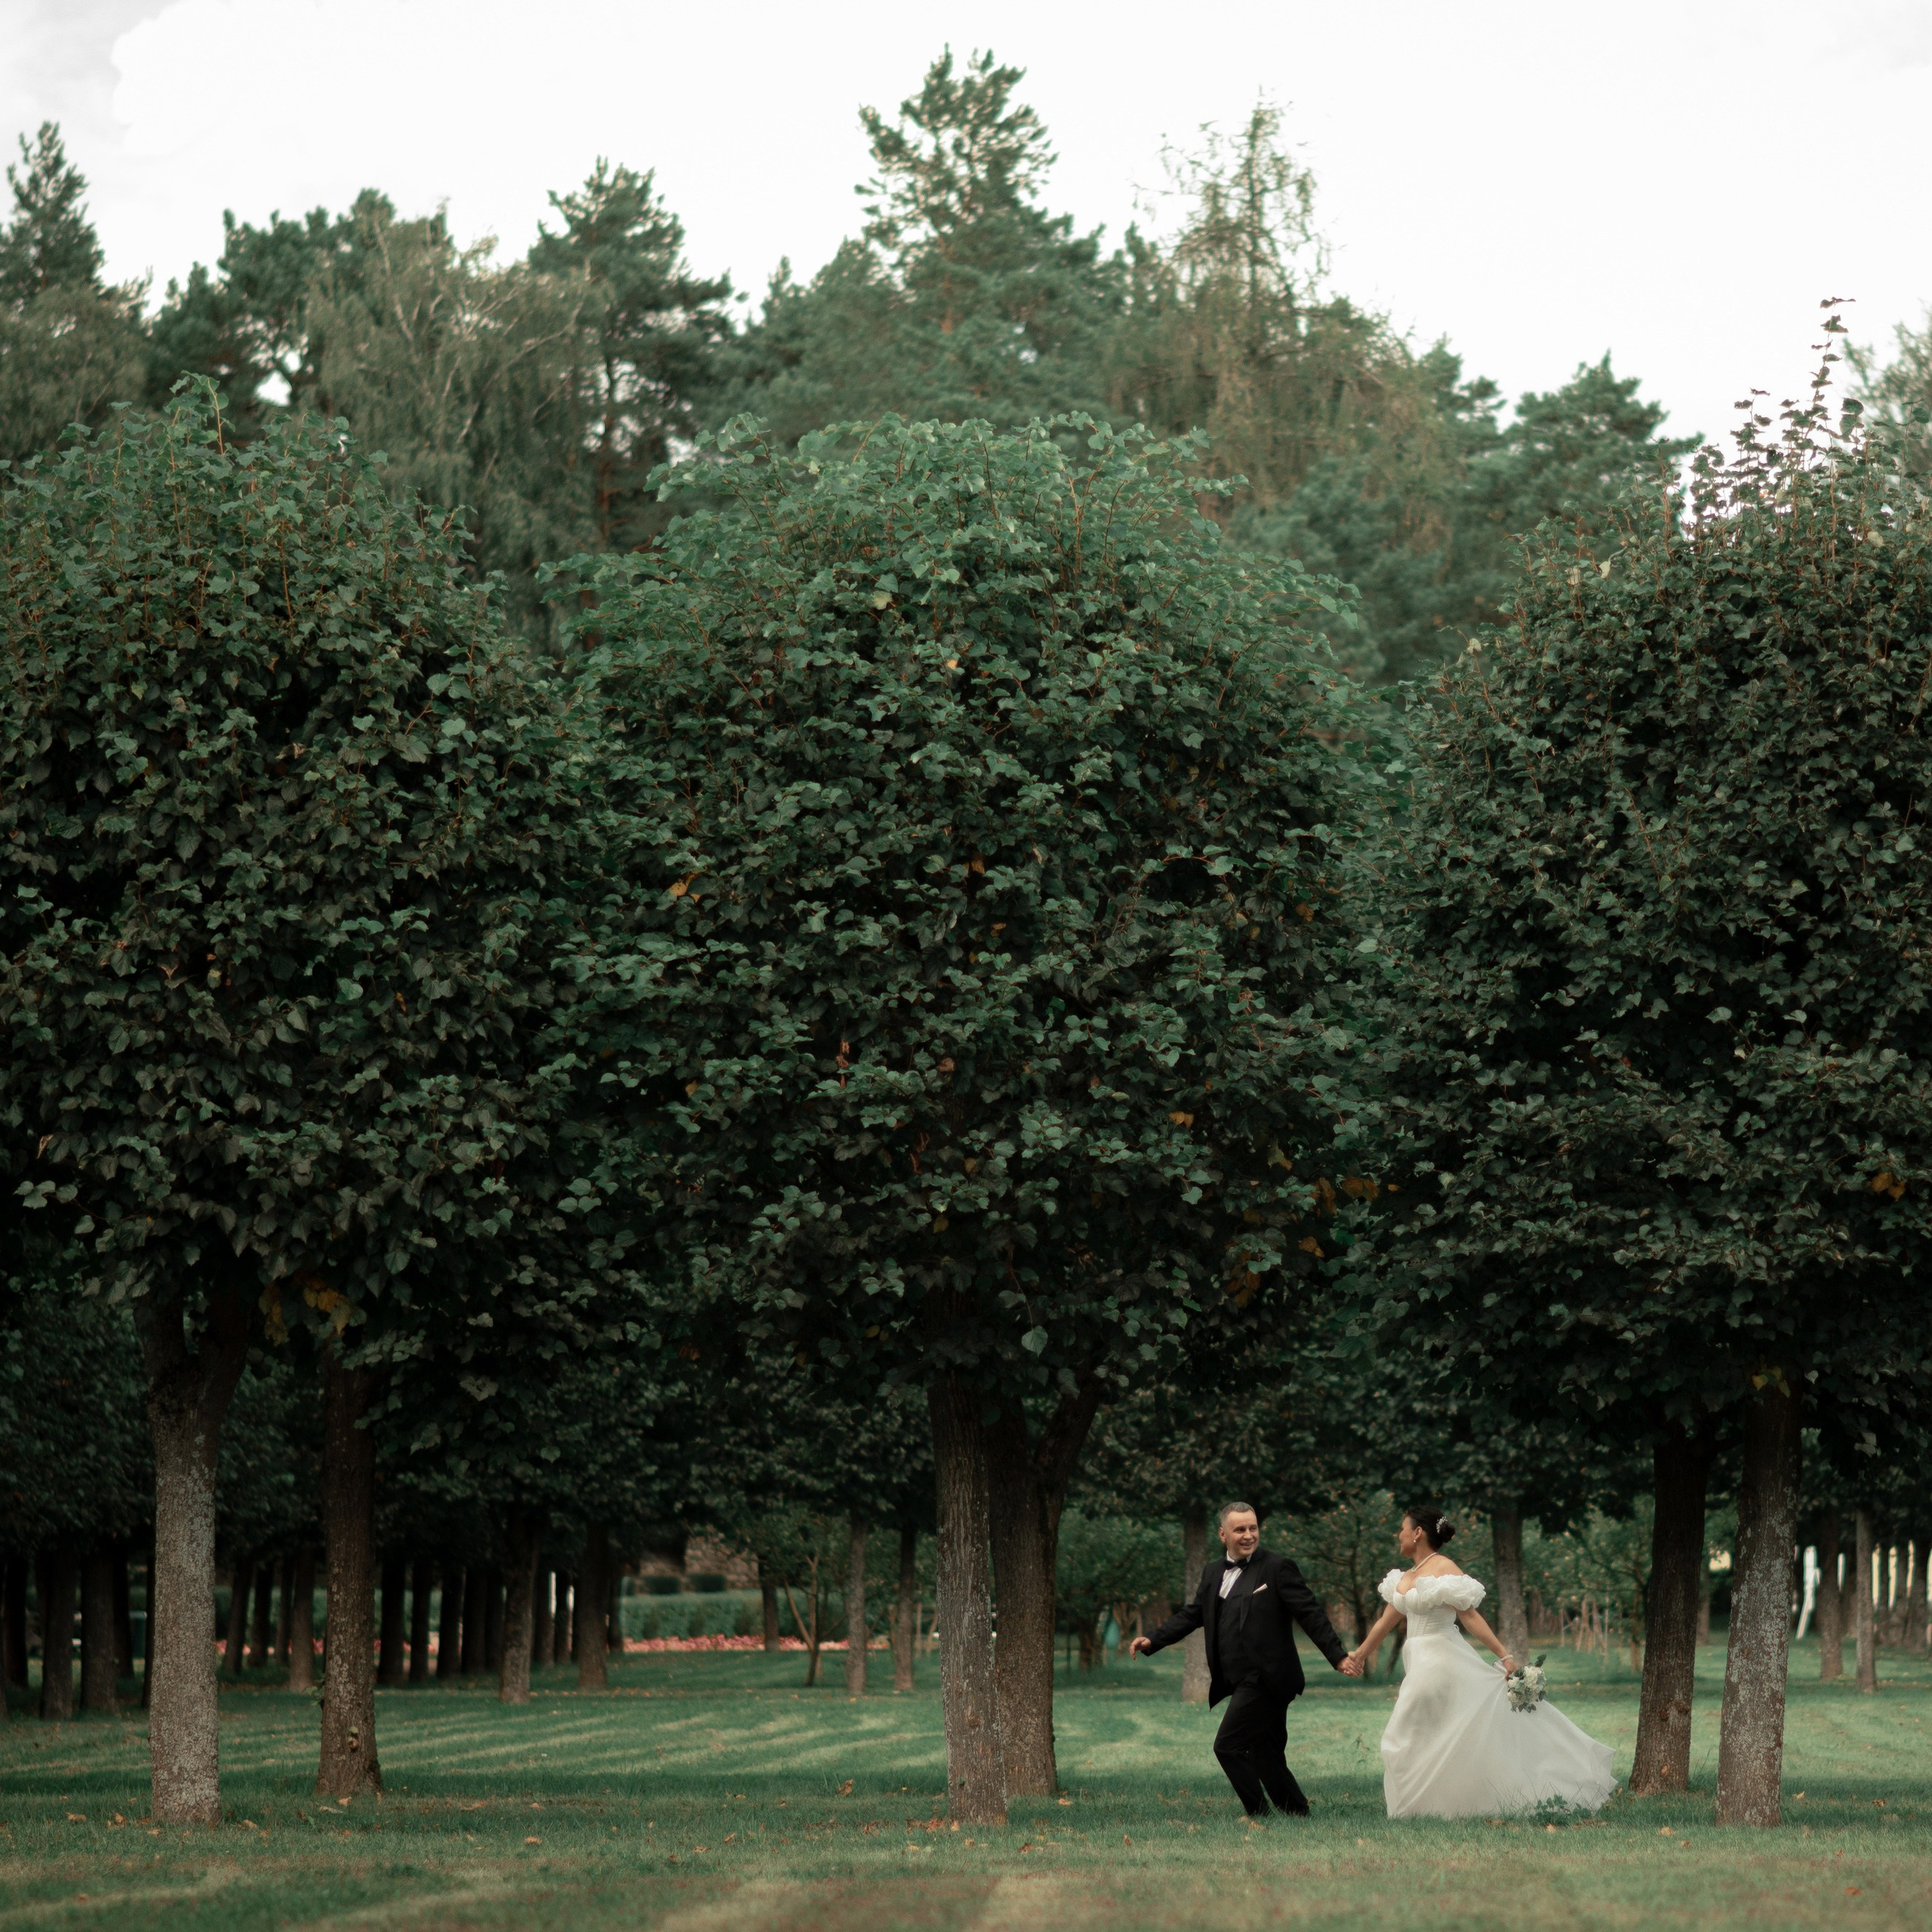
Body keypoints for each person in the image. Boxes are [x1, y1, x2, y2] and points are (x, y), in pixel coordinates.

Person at [1349, 1503, 1617, 1818]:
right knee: (1434, 1734)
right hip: (1418, 1660)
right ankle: (1434, 1806)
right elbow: (1386, 1620)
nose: (1399, 1535)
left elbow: (1470, 1615)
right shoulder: (1407, 1576)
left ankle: (1413, 1807)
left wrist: (1505, 1656)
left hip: (1441, 1659)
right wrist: (1360, 1655)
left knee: (1400, 1735)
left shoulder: (1445, 1569)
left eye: (1402, 1529)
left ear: (1418, 1533)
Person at [1129, 1501, 1361, 1820]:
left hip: (1269, 1678)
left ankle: (1259, 1813)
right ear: (1223, 1534)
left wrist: (1336, 1655)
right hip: (1237, 1678)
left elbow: (1309, 1613)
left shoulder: (1278, 1568)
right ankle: (1296, 1813)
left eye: (1253, 1528)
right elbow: (1194, 1614)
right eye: (1240, 1529)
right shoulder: (1213, 1572)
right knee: (1266, 1753)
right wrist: (1154, 1639)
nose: (1249, 1535)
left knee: (1227, 1746)